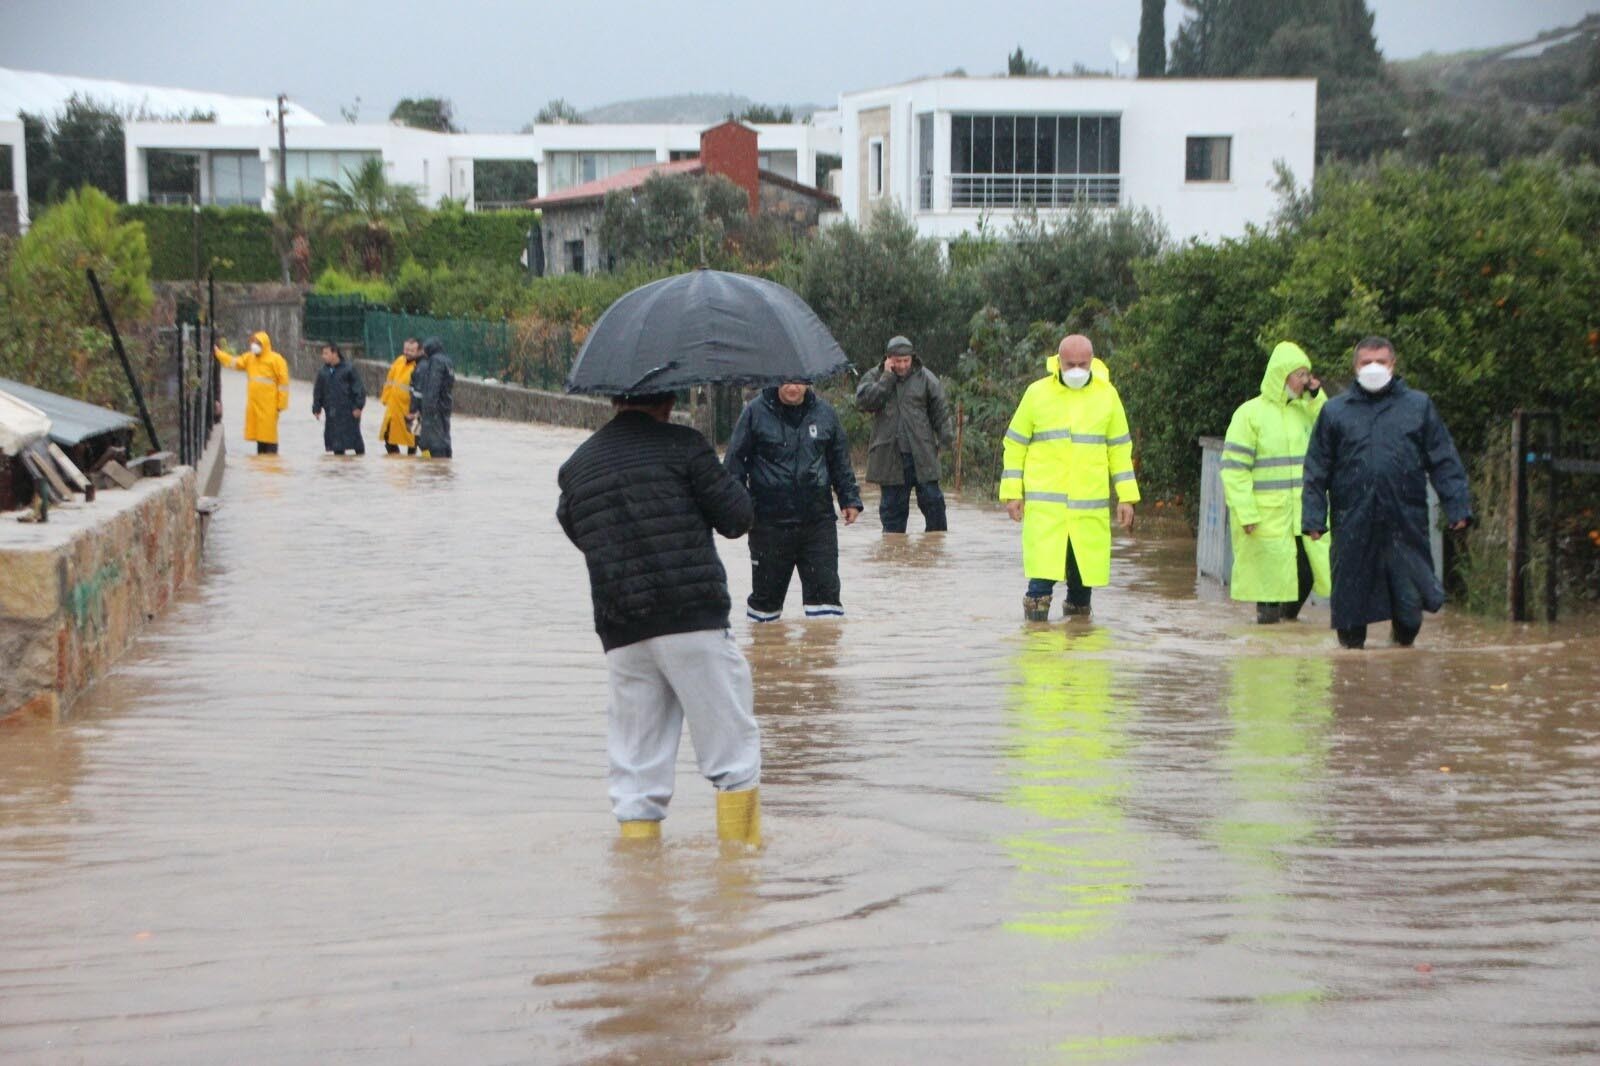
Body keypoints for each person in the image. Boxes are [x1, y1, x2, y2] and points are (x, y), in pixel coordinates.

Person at [556, 391, 762, 845]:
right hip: (692, 620)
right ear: (668, 397)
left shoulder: (579, 465)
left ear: (613, 396)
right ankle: (742, 885)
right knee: (733, 757)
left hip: (623, 629)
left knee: (636, 773)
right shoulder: (685, 446)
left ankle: (640, 892)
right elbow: (737, 518)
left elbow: (576, 528)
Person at [1302, 336, 1473, 649]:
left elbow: (1443, 459)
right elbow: (1317, 469)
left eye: (1380, 361)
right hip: (1353, 522)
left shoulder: (1418, 407)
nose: (1374, 368)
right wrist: (1313, 517)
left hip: (1404, 522)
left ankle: (1400, 659)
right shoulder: (1335, 412)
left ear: (1393, 365)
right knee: (1351, 620)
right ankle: (1353, 686)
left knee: (1409, 612)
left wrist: (1457, 506)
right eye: (1366, 362)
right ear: (1355, 367)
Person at [1000, 334, 1138, 622]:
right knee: (1039, 587)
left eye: (1082, 364)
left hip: (1088, 512)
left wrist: (1127, 497)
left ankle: (1079, 651)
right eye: (1070, 363)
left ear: (1092, 361)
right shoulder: (1037, 394)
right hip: (1046, 512)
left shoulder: (1107, 395)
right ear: (1058, 362)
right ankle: (1037, 649)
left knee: (1081, 590)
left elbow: (1120, 449)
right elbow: (1015, 444)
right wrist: (1013, 493)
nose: (1076, 369)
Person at [724, 380, 863, 622]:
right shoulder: (754, 413)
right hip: (769, 524)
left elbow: (840, 462)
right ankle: (765, 657)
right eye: (787, 380)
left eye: (799, 381)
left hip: (818, 523)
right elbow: (734, 466)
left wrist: (849, 498)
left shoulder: (826, 414)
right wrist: (741, 508)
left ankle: (822, 658)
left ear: (809, 383)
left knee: (826, 606)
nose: (792, 387)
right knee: (765, 608)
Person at [1220, 341, 1331, 624]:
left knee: (1307, 572)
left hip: (1303, 513)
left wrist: (1316, 396)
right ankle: (1269, 639)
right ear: (1283, 375)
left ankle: (1288, 629)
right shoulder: (1249, 414)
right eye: (1300, 374)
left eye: (1308, 374)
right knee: (1268, 585)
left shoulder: (1306, 410)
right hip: (1267, 516)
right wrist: (1245, 512)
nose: (1306, 380)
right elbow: (1235, 469)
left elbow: (1334, 426)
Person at [855, 335, 954, 533]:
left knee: (934, 506)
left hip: (922, 454)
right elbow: (864, 403)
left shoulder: (926, 378)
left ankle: (934, 556)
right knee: (892, 516)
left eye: (906, 361)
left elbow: (941, 412)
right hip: (889, 457)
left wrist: (945, 442)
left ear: (912, 358)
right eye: (897, 361)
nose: (902, 365)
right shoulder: (875, 376)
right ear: (888, 359)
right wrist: (887, 378)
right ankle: (893, 560)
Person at [213, 330, 289, 454]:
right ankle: (263, 462)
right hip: (255, 404)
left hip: (270, 405)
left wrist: (281, 404)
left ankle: (270, 460)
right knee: (260, 435)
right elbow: (234, 362)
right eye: (253, 342)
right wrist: (218, 354)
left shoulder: (276, 360)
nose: (254, 345)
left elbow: (283, 384)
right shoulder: (250, 358)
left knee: (269, 435)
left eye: (257, 343)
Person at [311, 343, 366, 456]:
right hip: (332, 414)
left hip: (349, 412)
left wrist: (358, 406)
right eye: (323, 353)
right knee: (336, 444)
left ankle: (358, 467)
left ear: (335, 353)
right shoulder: (323, 372)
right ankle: (339, 469)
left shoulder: (349, 369)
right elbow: (318, 392)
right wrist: (316, 408)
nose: (323, 356)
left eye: (326, 353)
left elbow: (359, 389)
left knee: (355, 442)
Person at [409, 336, 454, 459]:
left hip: (434, 411)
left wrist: (426, 409)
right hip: (445, 407)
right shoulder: (447, 361)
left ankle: (431, 468)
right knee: (444, 439)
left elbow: (432, 387)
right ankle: (443, 463)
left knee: (429, 444)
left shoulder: (435, 361)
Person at [380, 338, 421, 455]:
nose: (407, 352)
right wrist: (385, 398)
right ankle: (396, 461)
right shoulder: (399, 361)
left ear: (418, 351)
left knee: (414, 441)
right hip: (394, 409)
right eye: (406, 349)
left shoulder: (419, 367)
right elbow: (389, 380)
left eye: (411, 350)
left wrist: (417, 409)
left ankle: (411, 464)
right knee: (388, 437)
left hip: (411, 411)